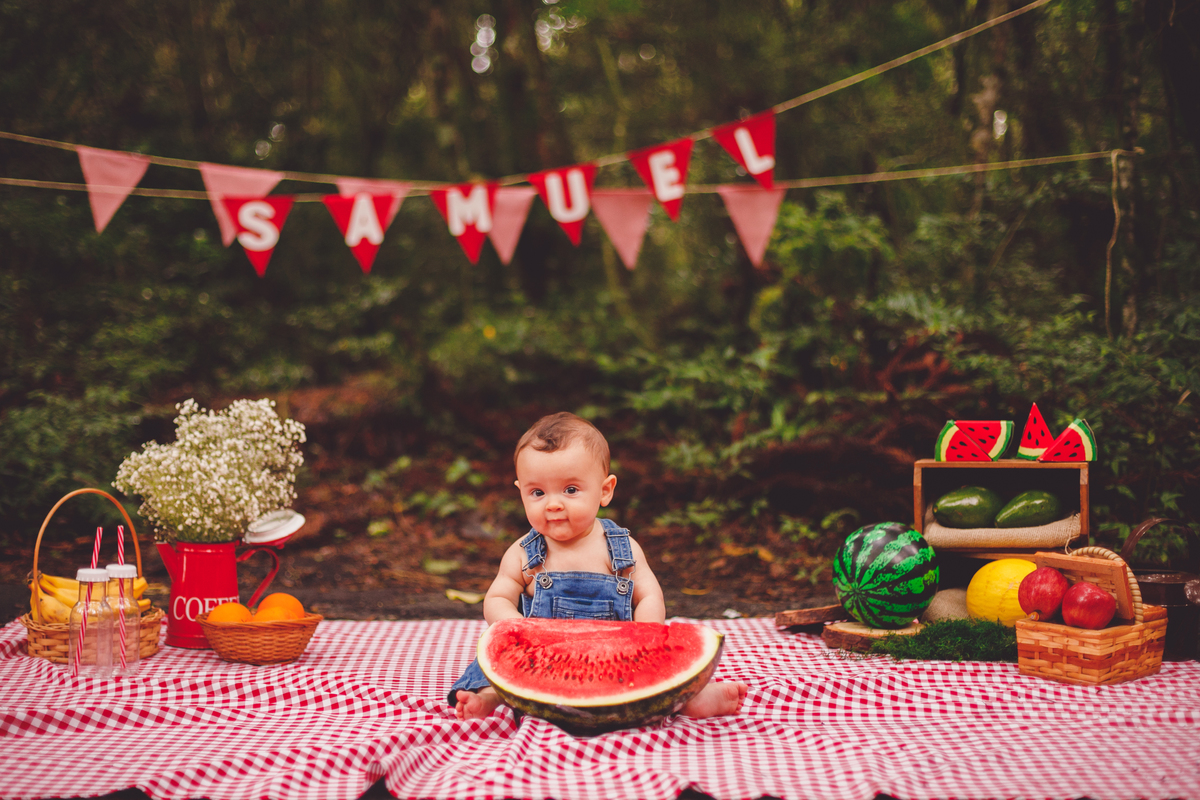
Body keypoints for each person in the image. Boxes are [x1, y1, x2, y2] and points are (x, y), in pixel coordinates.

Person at [449, 411, 747, 721]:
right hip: (543, 656)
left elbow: (649, 595)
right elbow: (497, 597)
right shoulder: (524, 553)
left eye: (570, 490)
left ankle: (693, 698)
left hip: (616, 655)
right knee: (492, 665)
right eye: (537, 492)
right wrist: (515, 626)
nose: (553, 504)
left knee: (661, 670)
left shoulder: (621, 548)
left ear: (605, 490)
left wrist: (644, 635)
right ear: (520, 491)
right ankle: (488, 698)